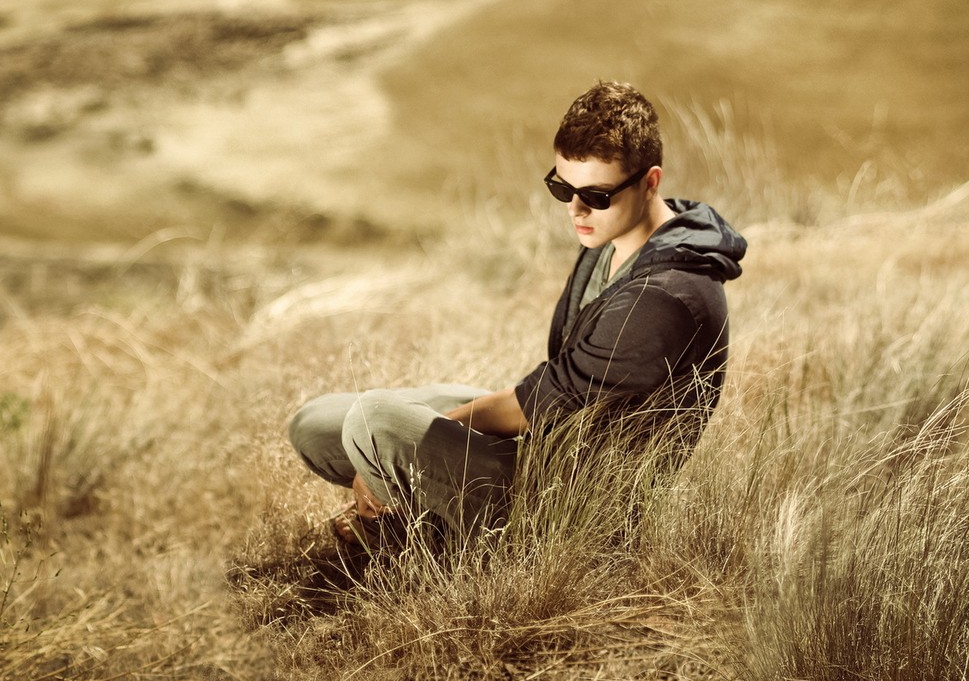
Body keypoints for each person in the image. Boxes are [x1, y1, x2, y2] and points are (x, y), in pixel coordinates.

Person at [286, 81, 746, 552]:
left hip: (571, 500)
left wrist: (396, 447)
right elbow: (557, 394)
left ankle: (416, 535)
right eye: (561, 187)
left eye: (597, 195)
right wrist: (405, 444)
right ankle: (412, 504)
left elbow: (545, 400)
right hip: (547, 439)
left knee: (372, 424)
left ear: (651, 182)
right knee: (318, 424)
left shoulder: (664, 296)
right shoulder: (616, 237)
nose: (576, 209)